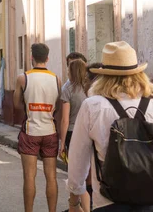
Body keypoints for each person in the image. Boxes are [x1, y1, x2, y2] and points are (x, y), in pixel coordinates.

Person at [67, 41, 153, 211]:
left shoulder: (92, 106)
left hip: (109, 203)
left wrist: (74, 201)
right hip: (152, 202)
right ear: (138, 74)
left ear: (104, 76)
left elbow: (78, 159)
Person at [14, 43, 61, 212]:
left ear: (31, 57)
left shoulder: (23, 78)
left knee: (29, 177)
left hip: (31, 131)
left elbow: (16, 105)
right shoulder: (56, 79)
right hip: (50, 131)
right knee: (51, 177)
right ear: (47, 58)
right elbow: (58, 105)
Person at [59, 59, 91, 211]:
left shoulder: (67, 88)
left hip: (73, 133)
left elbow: (65, 120)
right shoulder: (90, 88)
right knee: (88, 175)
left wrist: (62, 143)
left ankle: (77, 208)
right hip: (90, 134)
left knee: (77, 176)